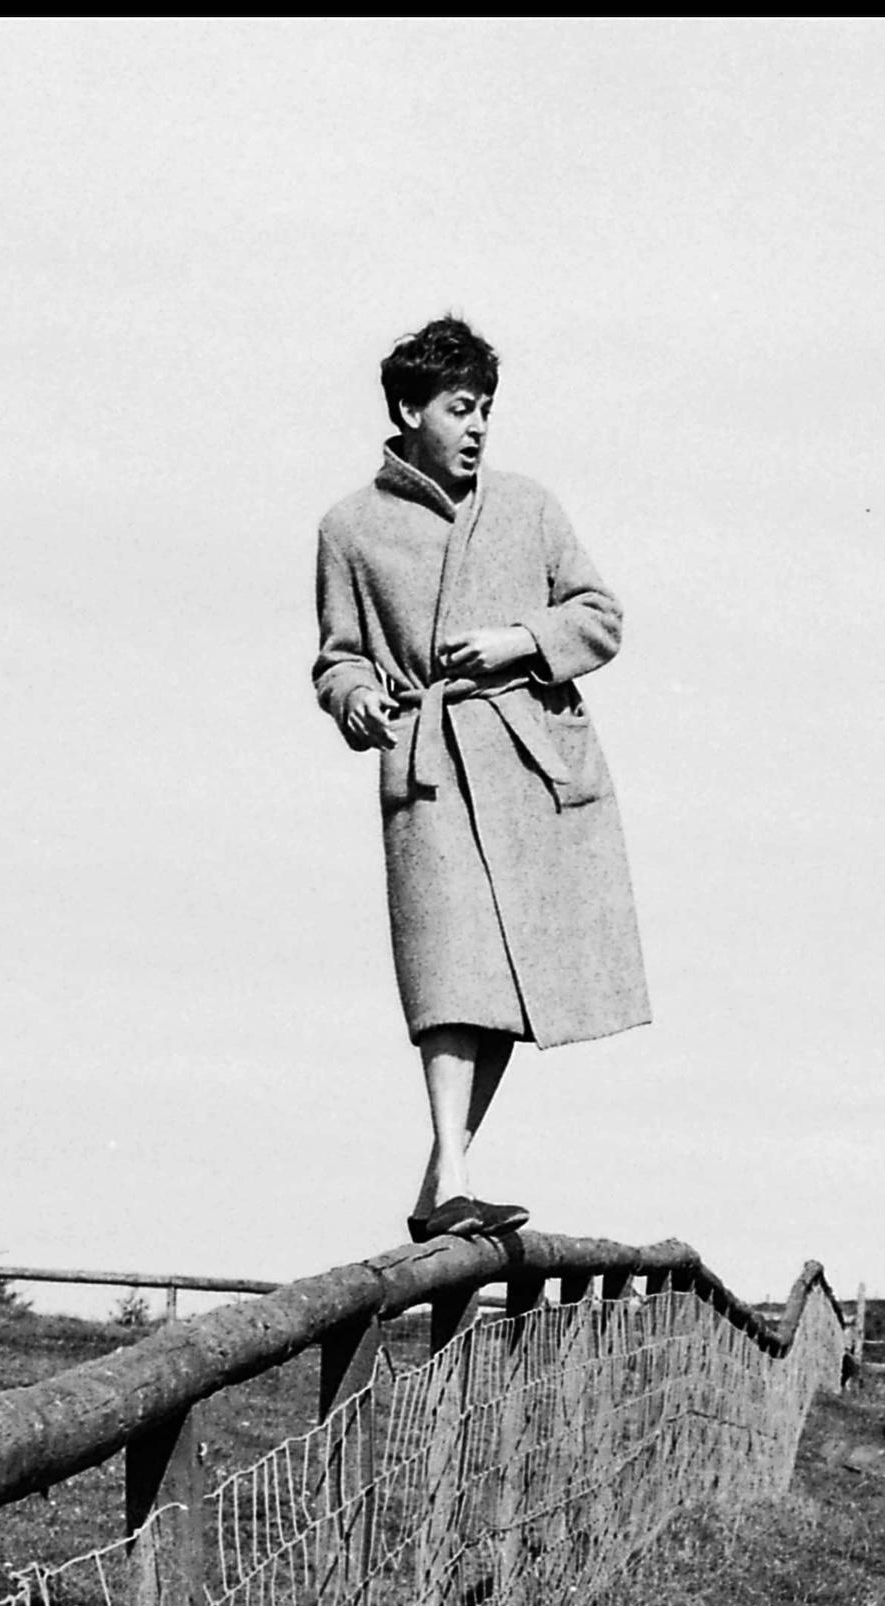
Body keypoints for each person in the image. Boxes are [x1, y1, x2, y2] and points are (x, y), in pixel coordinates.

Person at [313, 316, 653, 1242]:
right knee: (448, 980)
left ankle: (442, 1185)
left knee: (502, 994)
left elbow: (601, 616)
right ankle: (453, 1178)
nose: (477, 428)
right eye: (461, 409)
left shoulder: (530, 507)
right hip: (429, 772)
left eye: (487, 411)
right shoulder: (349, 528)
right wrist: (356, 705)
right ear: (409, 408)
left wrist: (521, 640)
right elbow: (337, 659)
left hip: (531, 771)